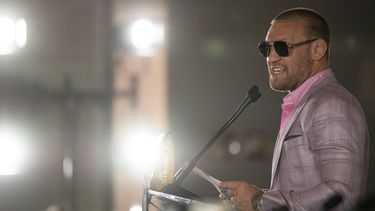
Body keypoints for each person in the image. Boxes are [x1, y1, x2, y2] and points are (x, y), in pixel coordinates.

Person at [220, 7, 369, 211]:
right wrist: (254, 197)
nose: (271, 58)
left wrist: (260, 202)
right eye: (266, 49)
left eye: (282, 48)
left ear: (317, 49)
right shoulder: (306, 102)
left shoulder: (331, 104)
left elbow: (342, 195)